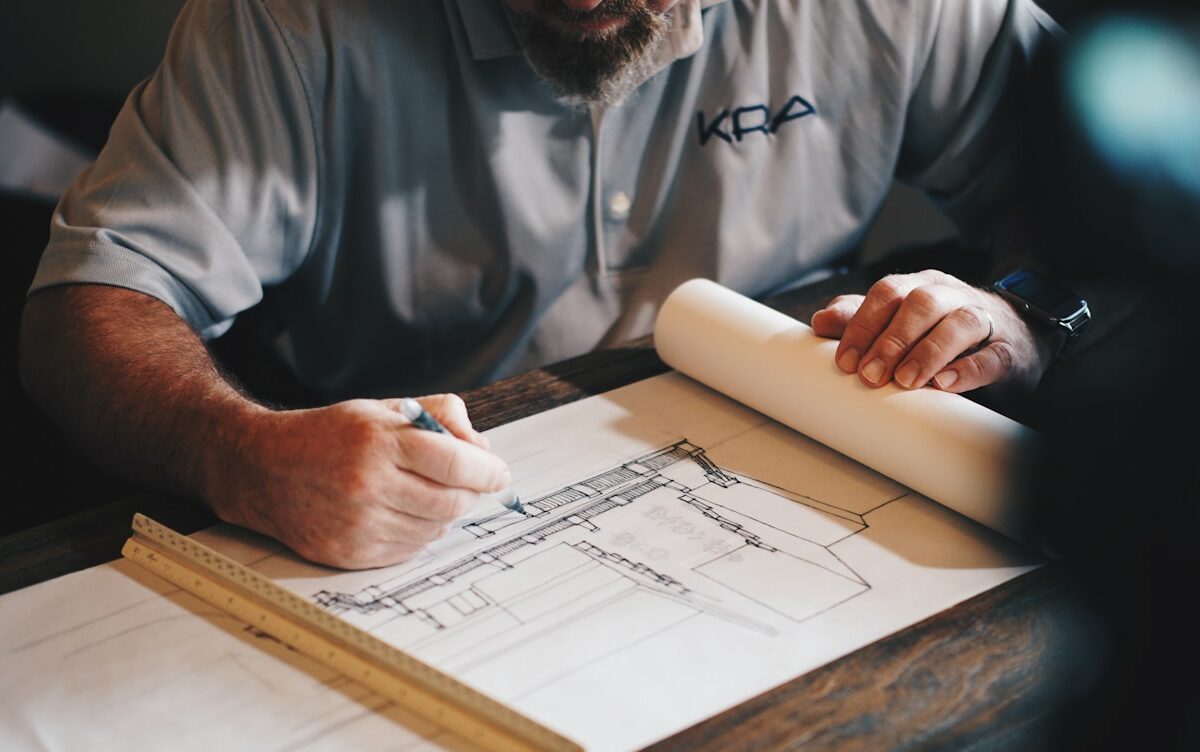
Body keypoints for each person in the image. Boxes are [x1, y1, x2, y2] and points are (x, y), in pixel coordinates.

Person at [20, 0, 1075, 569]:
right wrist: (236, 451)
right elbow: (89, 304)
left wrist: (1023, 311)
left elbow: (1126, 208)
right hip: (406, 510)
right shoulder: (289, 22)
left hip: (817, 500)